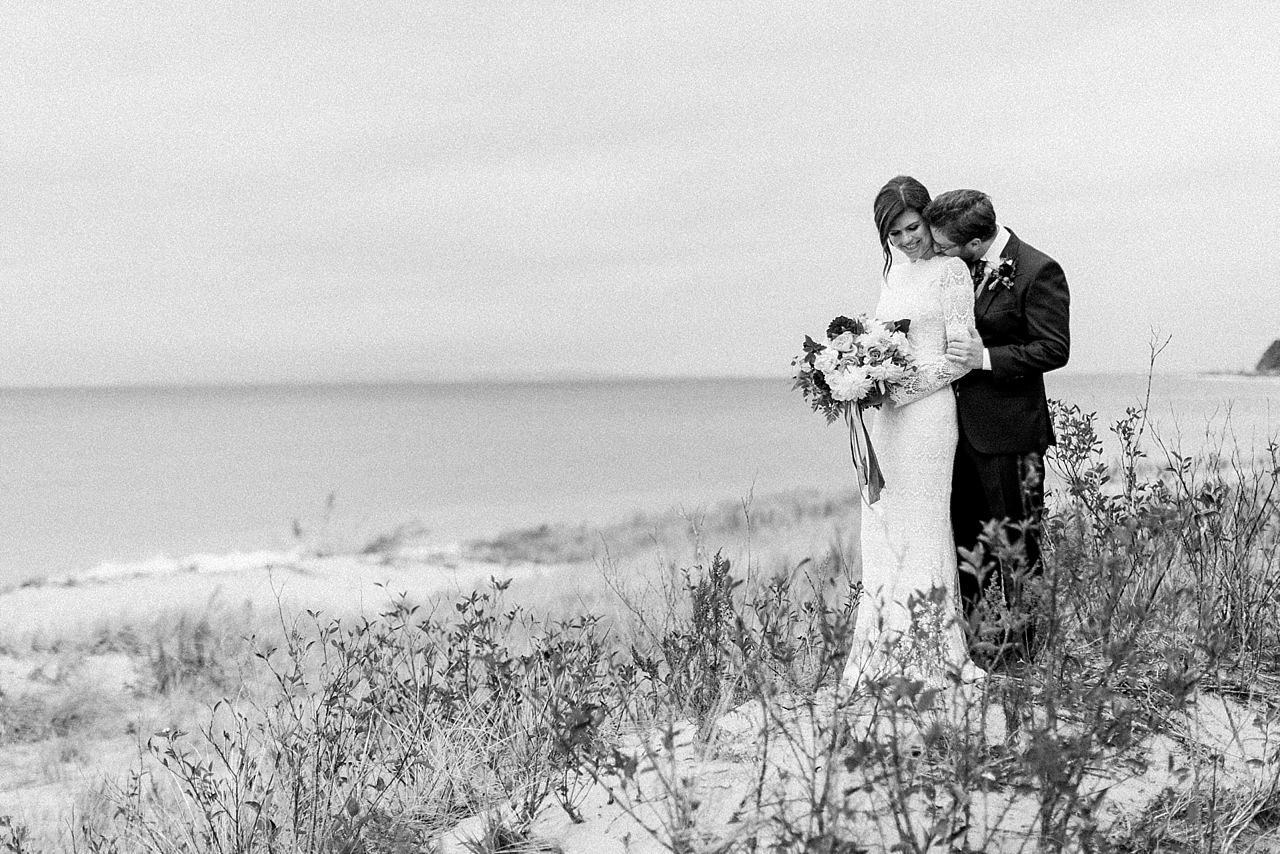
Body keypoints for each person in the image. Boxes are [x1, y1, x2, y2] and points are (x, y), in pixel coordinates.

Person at [840, 176, 984, 691]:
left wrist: (902, 389)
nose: (905, 240)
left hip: (927, 418)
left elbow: (961, 359)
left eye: (912, 227)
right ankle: (882, 647)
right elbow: (881, 343)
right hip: (888, 421)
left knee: (923, 525)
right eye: (894, 234)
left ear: (928, 219)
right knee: (883, 522)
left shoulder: (951, 273)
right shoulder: (893, 278)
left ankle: (932, 650)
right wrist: (859, 375)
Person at [924, 189, 1070, 667]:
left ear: (975, 240)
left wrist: (985, 359)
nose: (938, 252)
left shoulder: (1038, 270)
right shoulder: (957, 269)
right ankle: (970, 645)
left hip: (1010, 434)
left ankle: (1028, 654)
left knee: (1016, 543)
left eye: (945, 245)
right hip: (957, 432)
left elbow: (1053, 349)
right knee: (964, 540)